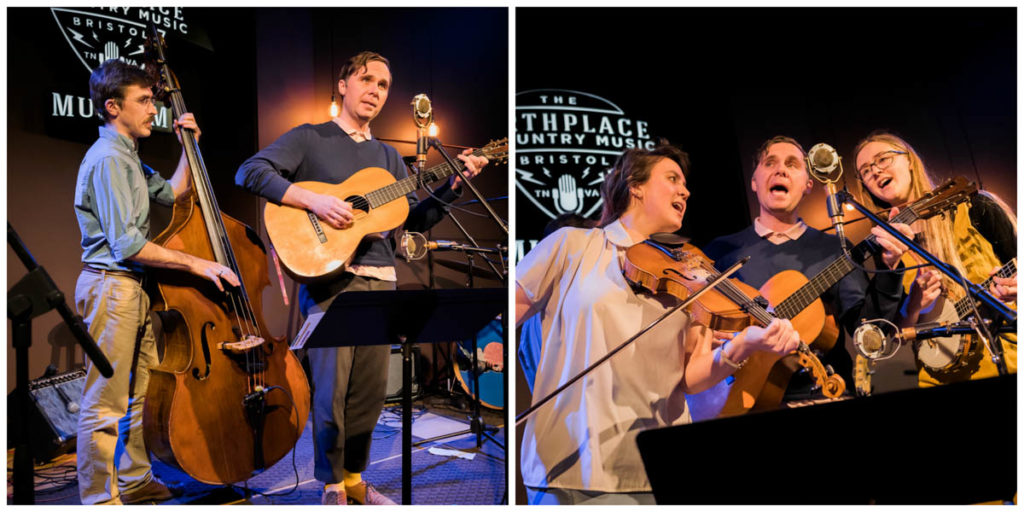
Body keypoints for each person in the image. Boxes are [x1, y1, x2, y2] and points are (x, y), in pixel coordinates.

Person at [235, 51, 487, 505]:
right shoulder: (311, 137)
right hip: (332, 281)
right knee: (331, 392)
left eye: (384, 85)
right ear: (344, 85)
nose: (375, 90)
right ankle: (331, 483)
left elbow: (411, 219)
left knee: (370, 394)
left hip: (380, 278)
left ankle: (354, 477)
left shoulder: (387, 155)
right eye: (367, 79)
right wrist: (314, 201)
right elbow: (249, 171)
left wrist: (451, 188)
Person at [515, 142, 803, 505]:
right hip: (572, 464)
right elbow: (510, 308)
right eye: (672, 179)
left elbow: (691, 377)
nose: (686, 191)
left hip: (656, 465)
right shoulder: (572, 245)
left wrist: (743, 344)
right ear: (635, 186)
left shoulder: (691, 272)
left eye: (685, 183)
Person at [74, 59, 241, 505]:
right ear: (113, 107)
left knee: (138, 396)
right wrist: (198, 264)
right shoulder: (110, 159)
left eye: (153, 99)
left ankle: (134, 481)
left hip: (132, 288)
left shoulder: (128, 156)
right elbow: (128, 244)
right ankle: (99, 500)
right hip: (112, 286)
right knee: (105, 403)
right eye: (145, 100)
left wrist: (189, 146)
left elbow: (173, 193)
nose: (154, 109)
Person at [700, 135, 910, 405]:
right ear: (754, 181)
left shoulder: (835, 249)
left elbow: (869, 329)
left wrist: (889, 267)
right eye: (770, 163)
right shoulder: (720, 252)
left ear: (808, 185)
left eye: (792, 164)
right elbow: (697, 332)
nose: (780, 170)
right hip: (740, 398)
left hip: (825, 392)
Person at [850, 131, 1017, 386]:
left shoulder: (975, 206)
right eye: (865, 171)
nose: (875, 171)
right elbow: (892, 336)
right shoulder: (884, 251)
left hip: (1008, 359)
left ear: (909, 160)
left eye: (883, 159)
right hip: (937, 378)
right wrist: (913, 305)